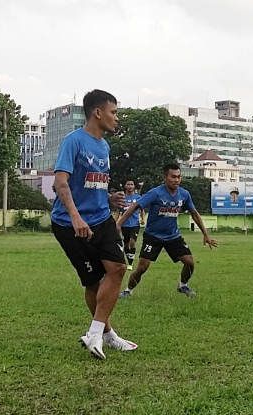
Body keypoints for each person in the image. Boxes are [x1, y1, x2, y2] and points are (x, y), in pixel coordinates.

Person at [50, 89, 137, 360]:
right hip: (69, 224)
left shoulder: (105, 146)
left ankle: (96, 333)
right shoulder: (73, 141)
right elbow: (60, 182)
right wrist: (76, 217)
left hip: (101, 219)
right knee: (92, 282)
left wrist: (109, 197)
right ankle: (106, 334)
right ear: (97, 113)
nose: (116, 118)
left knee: (118, 267)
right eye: (113, 112)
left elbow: (92, 182)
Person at [116, 163, 217, 299]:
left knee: (189, 262)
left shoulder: (184, 194)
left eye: (179, 177)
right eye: (173, 177)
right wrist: (119, 224)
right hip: (153, 236)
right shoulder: (155, 193)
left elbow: (194, 213)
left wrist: (206, 234)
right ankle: (128, 290)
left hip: (173, 236)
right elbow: (135, 206)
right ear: (165, 177)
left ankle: (183, 285)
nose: (176, 180)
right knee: (142, 268)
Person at [119, 180, 144, 271]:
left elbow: (142, 209)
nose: (130, 186)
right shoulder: (122, 198)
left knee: (132, 242)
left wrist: (142, 219)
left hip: (135, 224)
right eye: (128, 184)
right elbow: (119, 211)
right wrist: (116, 222)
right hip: (124, 224)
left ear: (134, 186)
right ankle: (129, 260)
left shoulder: (138, 197)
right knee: (125, 244)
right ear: (125, 186)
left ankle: (130, 262)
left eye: (131, 184)